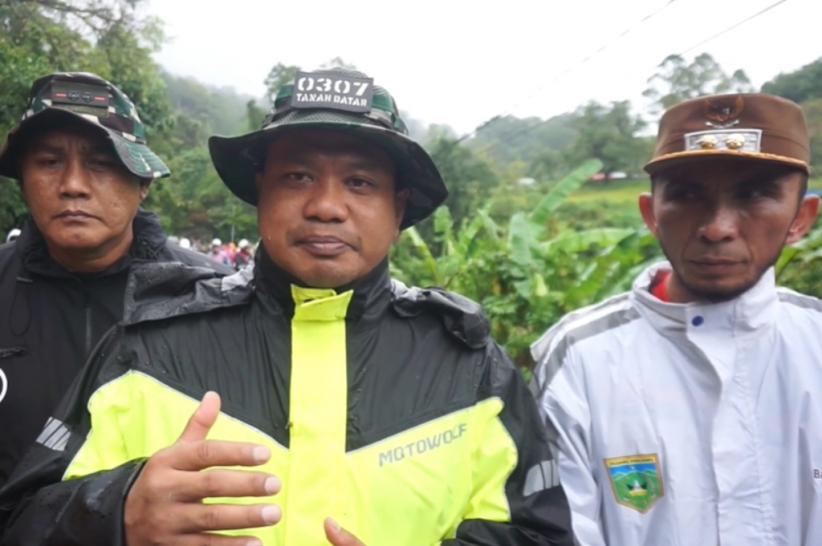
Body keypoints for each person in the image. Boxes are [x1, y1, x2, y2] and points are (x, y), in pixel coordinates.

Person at [0, 69, 574, 545]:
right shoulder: (146, 347)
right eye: (297, 177)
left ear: (399, 210)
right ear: (261, 195)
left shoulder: (471, 369)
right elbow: (22, 519)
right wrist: (115, 512)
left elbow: (539, 533)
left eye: (360, 183)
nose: (326, 206)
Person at [531, 93, 822, 546]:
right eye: (688, 195)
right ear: (651, 215)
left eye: (756, 194)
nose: (718, 227)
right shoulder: (578, 361)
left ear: (800, 218)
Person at [0, 72, 231, 487]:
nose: (72, 186)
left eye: (102, 164)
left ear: (142, 182)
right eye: (49, 162)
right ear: (22, 177)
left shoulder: (210, 295)